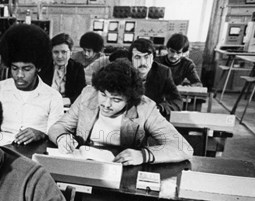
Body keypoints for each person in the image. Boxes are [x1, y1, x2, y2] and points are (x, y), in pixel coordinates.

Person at [47, 59, 193, 165]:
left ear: (129, 99)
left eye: (116, 100)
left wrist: (143, 155)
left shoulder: (145, 108)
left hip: (122, 170)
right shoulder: (88, 94)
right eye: (103, 95)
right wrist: (62, 137)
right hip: (83, 164)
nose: (106, 104)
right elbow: (58, 127)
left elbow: (183, 147)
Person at [0, 24, 65, 145]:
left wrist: (40, 133)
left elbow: (56, 132)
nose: (19, 75)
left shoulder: (53, 97)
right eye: (14, 68)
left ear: (38, 68)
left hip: (35, 154)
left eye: (26, 69)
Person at [129, 38, 183, 119]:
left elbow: (177, 101)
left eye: (147, 57)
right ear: (131, 60)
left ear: (153, 58)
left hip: (152, 118)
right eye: (137, 57)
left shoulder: (163, 72)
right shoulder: (123, 71)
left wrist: (160, 108)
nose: (143, 62)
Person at [38, 33, 86, 104]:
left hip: (67, 107)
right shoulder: (43, 66)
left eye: (64, 52)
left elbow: (82, 94)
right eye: (56, 52)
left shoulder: (77, 68)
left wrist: (67, 100)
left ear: (71, 52)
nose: (59, 56)